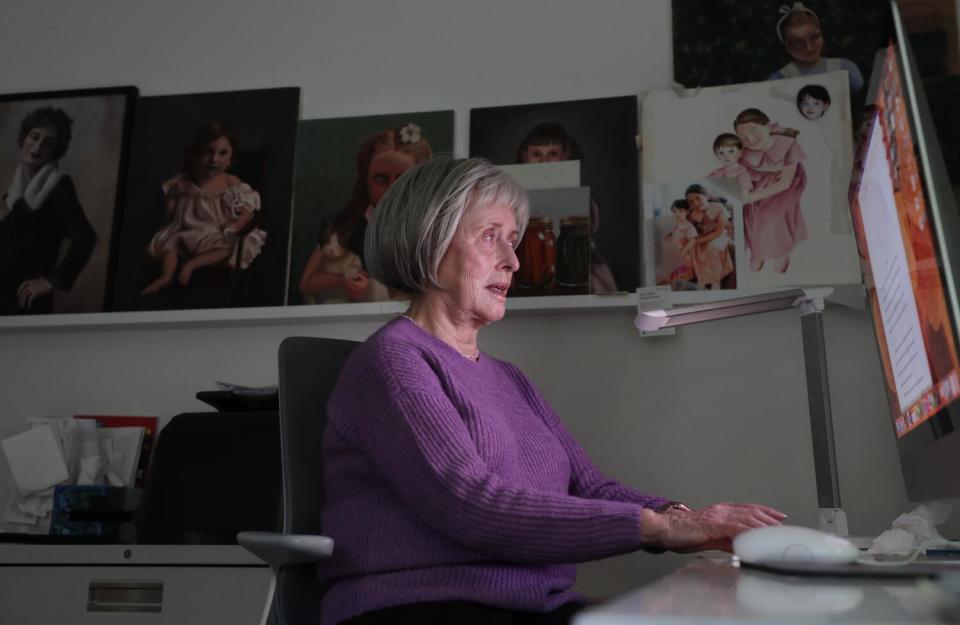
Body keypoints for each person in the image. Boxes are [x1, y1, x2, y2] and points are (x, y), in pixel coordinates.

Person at [320, 157, 786, 625]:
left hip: (535, 607)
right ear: (428, 239)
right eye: (490, 236)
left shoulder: (509, 378)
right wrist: (661, 529)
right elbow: (471, 506)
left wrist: (687, 517)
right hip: (423, 606)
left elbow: (590, 487)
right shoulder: (394, 360)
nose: (514, 261)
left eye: (513, 241)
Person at [298, 123, 431, 303]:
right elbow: (308, 283)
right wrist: (347, 283)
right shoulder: (345, 230)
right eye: (380, 179)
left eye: (403, 180)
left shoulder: (431, 231)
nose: (391, 189)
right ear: (365, 182)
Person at [141, 121, 266, 295]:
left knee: (226, 248)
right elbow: (168, 215)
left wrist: (238, 222)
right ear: (195, 155)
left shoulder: (230, 182)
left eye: (223, 153)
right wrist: (174, 194)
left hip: (213, 234)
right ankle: (165, 277)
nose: (214, 159)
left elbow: (248, 211)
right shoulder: (184, 180)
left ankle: (192, 264)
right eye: (208, 152)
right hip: (184, 231)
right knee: (169, 245)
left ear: (230, 158)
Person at [0, 106, 96, 314]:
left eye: (48, 143)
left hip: (24, 300)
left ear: (56, 151)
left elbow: (85, 237)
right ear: (23, 138)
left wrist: (52, 281)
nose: (37, 147)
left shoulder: (58, 188)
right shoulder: (14, 192)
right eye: (34, 137)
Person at [515, 122, 618, 293]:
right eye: (536, 155)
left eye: (553, 154)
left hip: (575, 267)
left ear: (565, 154)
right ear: (525, 157)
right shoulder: (511, 197)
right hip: (527, 267)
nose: (544, 162)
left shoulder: (582, 196)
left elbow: (586, 235)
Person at [734, 108, 808, 274]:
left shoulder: (787, 145)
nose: (750, 139)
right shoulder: (746, 150)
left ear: (768, 127)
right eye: (744, 137)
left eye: (754, 131)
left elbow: (785, 183)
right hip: (759, 180)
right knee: (748, 213)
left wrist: (753, 196)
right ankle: (758, 250)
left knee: (771, 215)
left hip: (787, 184)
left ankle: (781, 251)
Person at [768, 2, 864, 95]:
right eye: (799, 44)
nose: (809, 47)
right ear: (786, 48)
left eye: (814, 37)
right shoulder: (778, 80)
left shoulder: (846, 68)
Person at [685, 184, 734, 290]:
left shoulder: (717, 208)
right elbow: (688, 228)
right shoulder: (693, 214)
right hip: (704, 235)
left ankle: (716, 282)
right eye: (691, 202)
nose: (696, 203)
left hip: (720, 234)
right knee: (696, 250)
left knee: (712, 247)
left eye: (698, 198)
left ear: (706, 196)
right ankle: (702, 279)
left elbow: (719, 231)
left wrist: (699, 240)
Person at [665, 198, 697, 283]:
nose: (677, 214)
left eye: (680, 211)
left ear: (687, 212)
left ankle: (683, 287)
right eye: (675, 212)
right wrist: (670, 236)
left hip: (684, 254)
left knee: (682, 274)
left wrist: (683, 251)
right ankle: (675, 285)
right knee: (674, 272)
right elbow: (675, 234)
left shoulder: (689, 226)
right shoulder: (677, 224)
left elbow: (692, 241)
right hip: (675, 252)